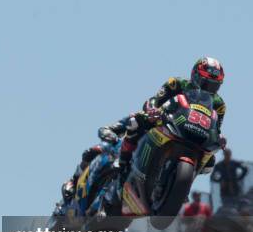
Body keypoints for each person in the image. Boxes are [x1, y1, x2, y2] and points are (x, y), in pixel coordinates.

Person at [60, 57, 225, 204]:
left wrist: (219, 137)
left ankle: (181, 187)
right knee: (135, 121)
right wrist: (153, 109)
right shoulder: (177, 83)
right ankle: (122, 161)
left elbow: (216, 127)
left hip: (194, 133)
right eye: (206, 83)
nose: (208, 88)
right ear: (195, 76)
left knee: (210, 161)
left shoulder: (219, 104)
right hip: (166, 120)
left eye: (214, 85)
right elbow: (155, 99)